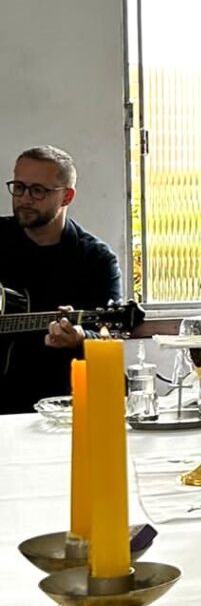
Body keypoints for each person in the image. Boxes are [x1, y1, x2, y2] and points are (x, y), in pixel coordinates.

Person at [0, 146, 122, 414]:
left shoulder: (96, 259)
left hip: (62, 403)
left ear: (66, 196)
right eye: (19, 187)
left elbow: (110, 333)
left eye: (38, 190)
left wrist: (81, 336)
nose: (24, 198)